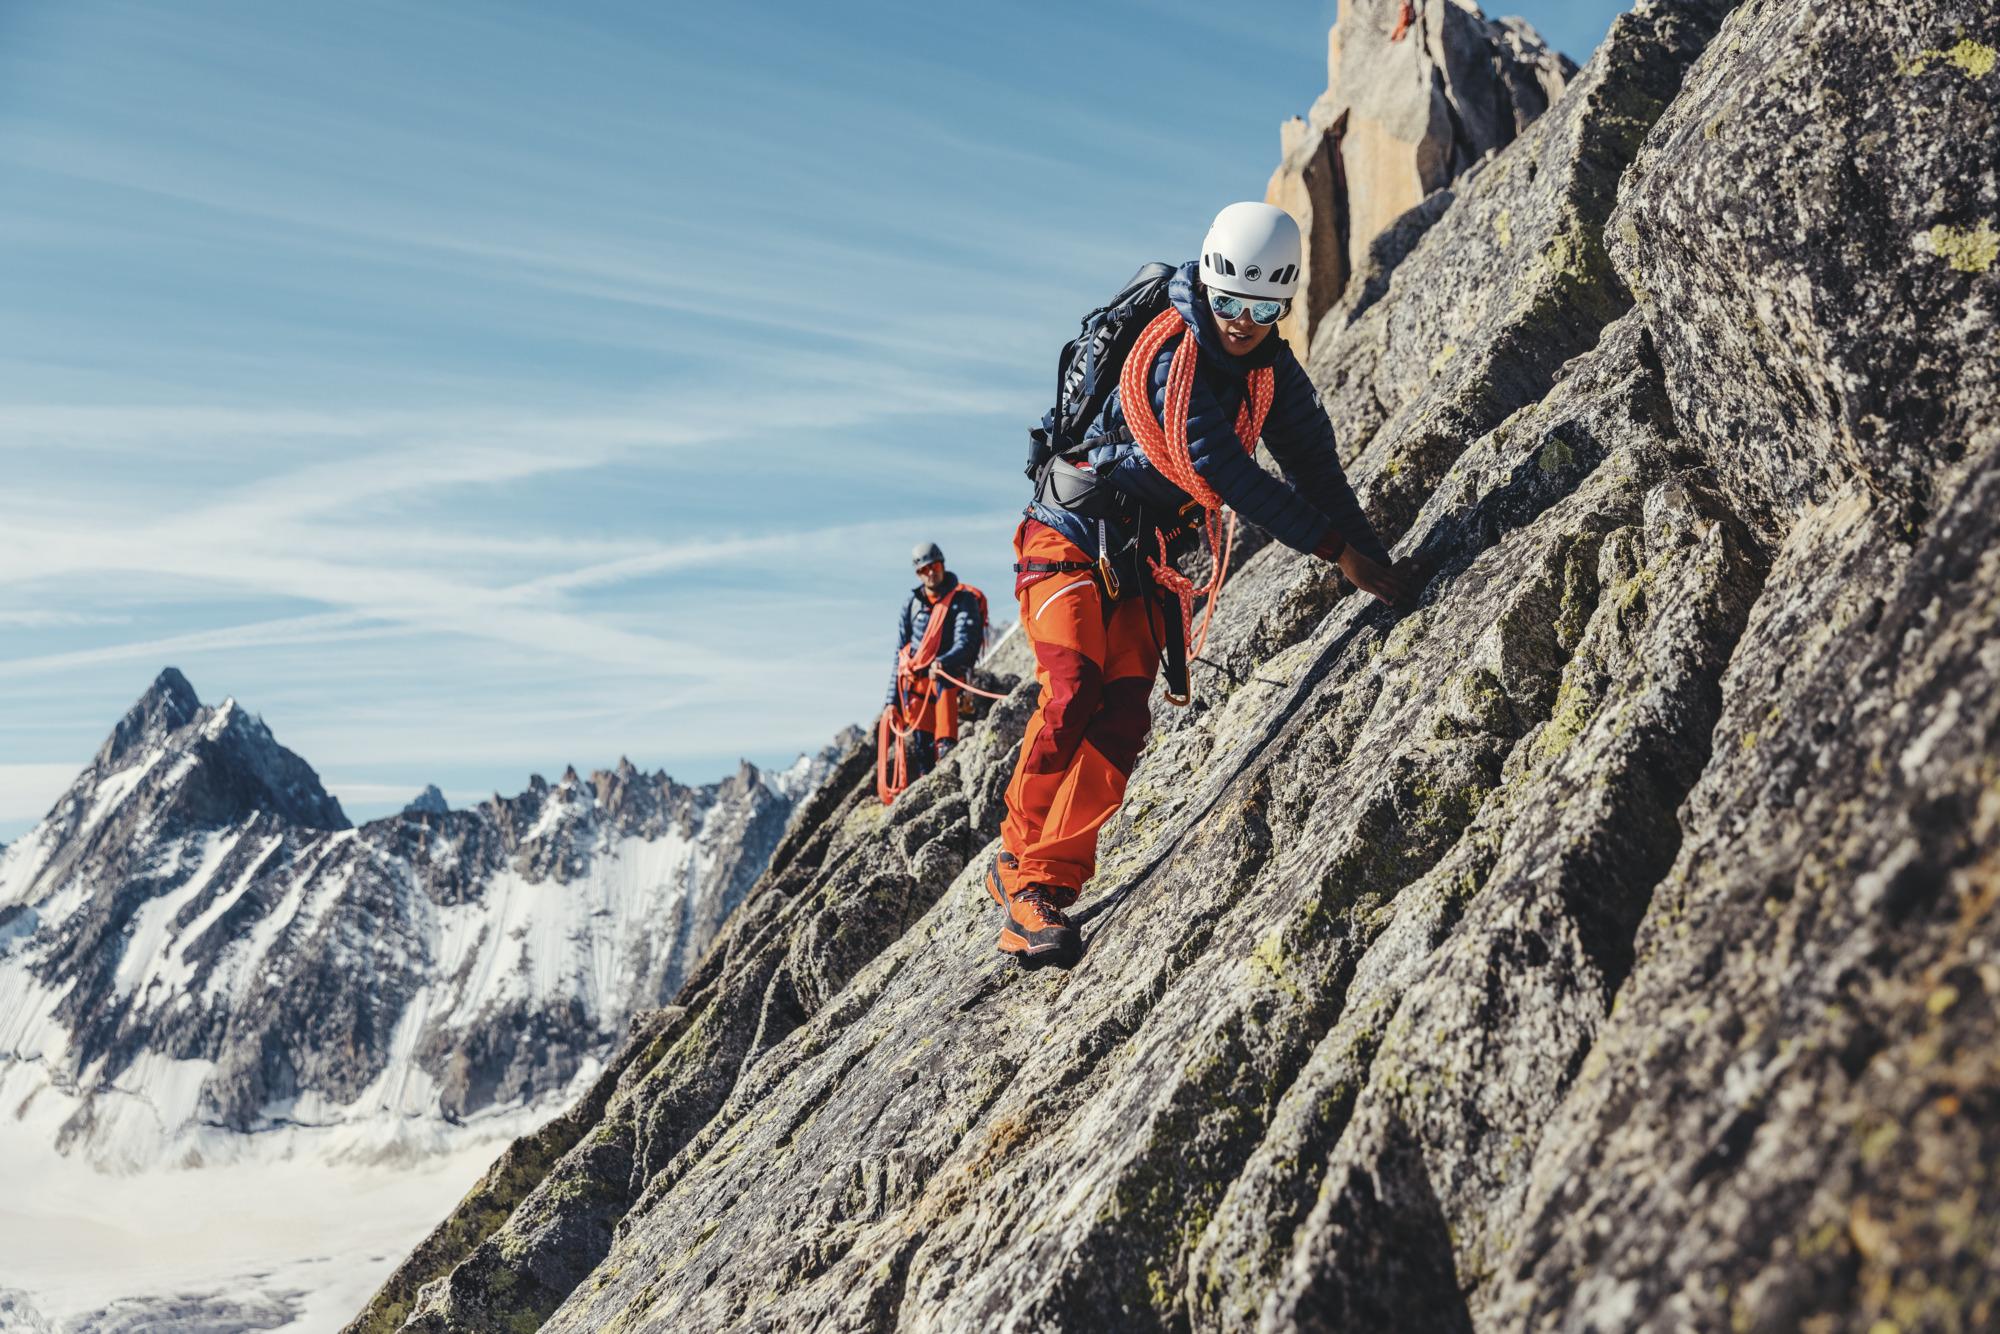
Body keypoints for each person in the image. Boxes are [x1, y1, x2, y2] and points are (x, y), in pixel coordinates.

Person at [989, 201, 1415, 964]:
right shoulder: (1166, 354)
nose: (1243, 321)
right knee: (1074, 683)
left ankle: (1048, 882)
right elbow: (1218, 467)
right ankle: (1018, 870)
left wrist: (1376, 560)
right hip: (1068, 534)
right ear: (1208, 284)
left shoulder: (1270, 373)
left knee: (1121, 716)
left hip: (1141, 553)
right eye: (1229, 302)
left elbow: (1316, 468)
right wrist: (1335, 554)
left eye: (1263, 308)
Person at [885, 542, 985, 784]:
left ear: (943, 565)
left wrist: (942, 661)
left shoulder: (963, 600)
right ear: (918, 573)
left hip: (948, 679)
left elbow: (967, 642)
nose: (931, 573)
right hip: (917, 685)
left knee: (943, 682)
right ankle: (926, 772)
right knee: (922, 750)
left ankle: (947, 748)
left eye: (935, 566)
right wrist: (891, 701)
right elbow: (901, 655)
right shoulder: (912, 604)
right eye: (924, 569)